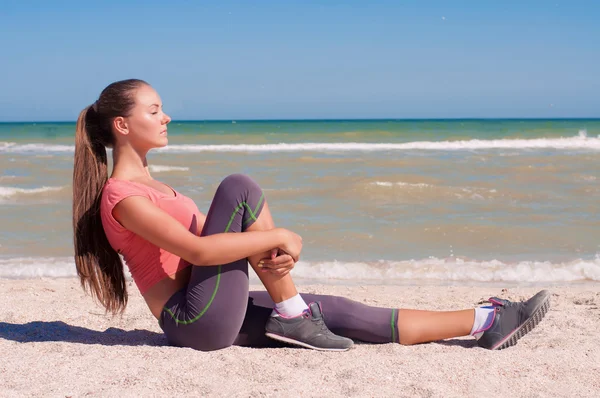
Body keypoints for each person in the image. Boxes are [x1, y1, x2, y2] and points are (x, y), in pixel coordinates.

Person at [72, 79, 550, 352]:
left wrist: (267, 249)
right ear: (122, 125)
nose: (167, 117)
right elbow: (197, 250)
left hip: (216, 306)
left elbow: (211, 258)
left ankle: (485, 321)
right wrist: (276, 236)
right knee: (239, 188)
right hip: (192, 321)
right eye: (155, 110)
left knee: (338, 312)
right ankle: (290, 309)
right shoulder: (121, 197)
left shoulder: (157, 187)